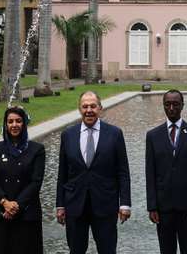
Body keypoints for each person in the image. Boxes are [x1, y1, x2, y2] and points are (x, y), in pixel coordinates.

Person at [56, 90, 131, 254]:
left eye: (93, 106)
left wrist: (124, 203)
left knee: (107, 250)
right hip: (75, 205)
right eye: (84, 106)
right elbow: (62, 173)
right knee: (76, 250)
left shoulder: (115, 134)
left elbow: (123, 172)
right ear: (79, 109)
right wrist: (60, 205)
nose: (89, 110)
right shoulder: (68, 135)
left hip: (105, 205)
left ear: (100, 108)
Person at [145, 89, 187, 254]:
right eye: (167, 104)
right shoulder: (152, 136)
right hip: (163, 209)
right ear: (163, 106)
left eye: (176, 104)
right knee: (166, 250)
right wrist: (152, 206)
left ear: (182, 106)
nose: (171, 108)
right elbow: (150, 174)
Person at [0, 106, 46, 254]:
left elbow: (36, 182)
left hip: (27, 215)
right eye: (10, 121)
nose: (14, 125)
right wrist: (5, 202)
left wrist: (16, 206)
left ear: (24, 123)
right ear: (5, 125)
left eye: (18, 121)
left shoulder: (37, 149)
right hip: (0, 214)